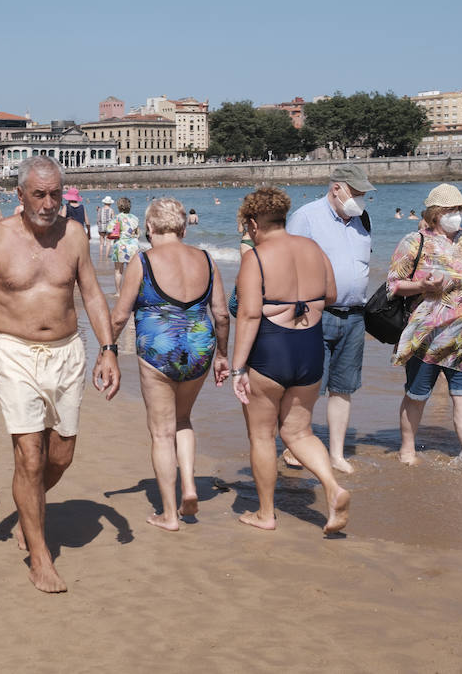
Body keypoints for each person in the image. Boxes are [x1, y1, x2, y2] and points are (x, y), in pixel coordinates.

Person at [0, 155, 120, 593]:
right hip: (14, 353)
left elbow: (91, 293)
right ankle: (40, 554)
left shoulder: (74, 236)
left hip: (68, 353)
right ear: (20, 196)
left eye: (55, 194)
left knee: (60, 456)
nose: (49, 204)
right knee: (29, 456)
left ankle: (28, 509)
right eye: (39, 195)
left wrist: (108, 349)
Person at [226, 186, 349, 536]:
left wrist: (238, 368)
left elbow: (248, 315)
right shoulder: (312, 247)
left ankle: (266, 514)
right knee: (299, 431)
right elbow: (331, 294)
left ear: (253, 223)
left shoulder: (257, 257)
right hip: (309, 346)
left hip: (271, 349)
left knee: (262, 435)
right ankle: (331, 486)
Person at [109, 197, 228, 531]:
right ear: (184, 226)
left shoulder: (143, 261)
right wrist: (222, 355)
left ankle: (170, 514)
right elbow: (221, 313)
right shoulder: (207, 259)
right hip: (200, 346)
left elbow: (120, 316)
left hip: (159, 349)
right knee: (183, 419)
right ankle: (189, 485)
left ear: (148, 227)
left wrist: (108, 350)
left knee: (161, 433)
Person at [386, 183, 462, 468]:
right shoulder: (413, 242)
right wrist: (421, 285)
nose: (457, 215)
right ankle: (407, 449)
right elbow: (392, 285)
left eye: (459, 209)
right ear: (435, 214)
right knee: (417, 396)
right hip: (428, 339)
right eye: (451, 210)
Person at [284, 163, 374, 474]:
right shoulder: (306, 217)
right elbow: (288, 265)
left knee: (343, 387)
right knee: (307, 386)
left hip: (355, 317)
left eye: (364, 193)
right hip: (315, 314)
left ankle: (336, 454)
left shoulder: (363, 219)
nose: (361, 198)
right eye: (356, 192)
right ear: (336, 188)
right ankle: (295, 447)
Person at [108, 197, 140, 293]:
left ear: (119, 206)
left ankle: (118, 292)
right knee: (131, 271)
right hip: (133, 246)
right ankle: (131, 291)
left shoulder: (117, 218)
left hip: (120, 245)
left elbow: (109, 230)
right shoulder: (135, 218)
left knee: (118, 271)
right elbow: (137, 233)